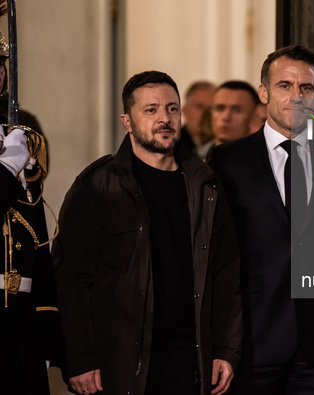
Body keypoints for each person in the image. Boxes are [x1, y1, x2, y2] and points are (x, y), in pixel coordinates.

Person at [53, 71, 242, 395]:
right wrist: (79, 358)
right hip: (120, 362)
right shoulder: (98, 184)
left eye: (172, 108)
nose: (164, 118)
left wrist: (226, 349)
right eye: (151, 110)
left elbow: (226, 273)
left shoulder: (205, 184)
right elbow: (70, 278)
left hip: (191, 359)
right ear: (128, 121)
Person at [209, 44, 314, 394]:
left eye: (306, 88)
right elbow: (215, 254)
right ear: (264, 92)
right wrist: (220, 342)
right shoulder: (227, 162)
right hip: (253, 337)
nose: (296, 97)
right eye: (285, 86)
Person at [0, 24, 61, 394]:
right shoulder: (11, 154)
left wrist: (48, 333)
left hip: (19, 324)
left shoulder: (15, 138)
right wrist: (7, 171)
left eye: (1, 64)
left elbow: (38, 245)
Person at [211, 80, 258, 145]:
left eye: (237, 111)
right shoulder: (197, 154)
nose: (226, 117)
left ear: (253, 118)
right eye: (220, 109)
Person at [179, 80, 215, 160]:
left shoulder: (227, 145)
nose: (207, 113)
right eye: (200, 107)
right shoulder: (172, 146)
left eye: (213, 107)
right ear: (185, 111)